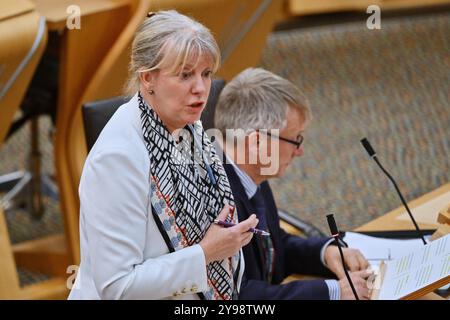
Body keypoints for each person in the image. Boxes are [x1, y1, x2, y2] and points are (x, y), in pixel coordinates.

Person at [68, 10, 258, 300]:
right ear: (148, 79)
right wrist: (206, 253)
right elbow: (118, 287)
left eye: (206, 74)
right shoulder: (117, 158)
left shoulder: (188, 125)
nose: (200, 88)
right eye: (185, 75)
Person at [213, 67, 372, 300]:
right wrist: (332, 292)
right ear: (256, 142)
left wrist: (324, 253)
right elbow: (238, 294)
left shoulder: (251, 171)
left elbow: (271, 245)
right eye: (295, 139)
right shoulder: (212, 197)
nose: (300, 151)